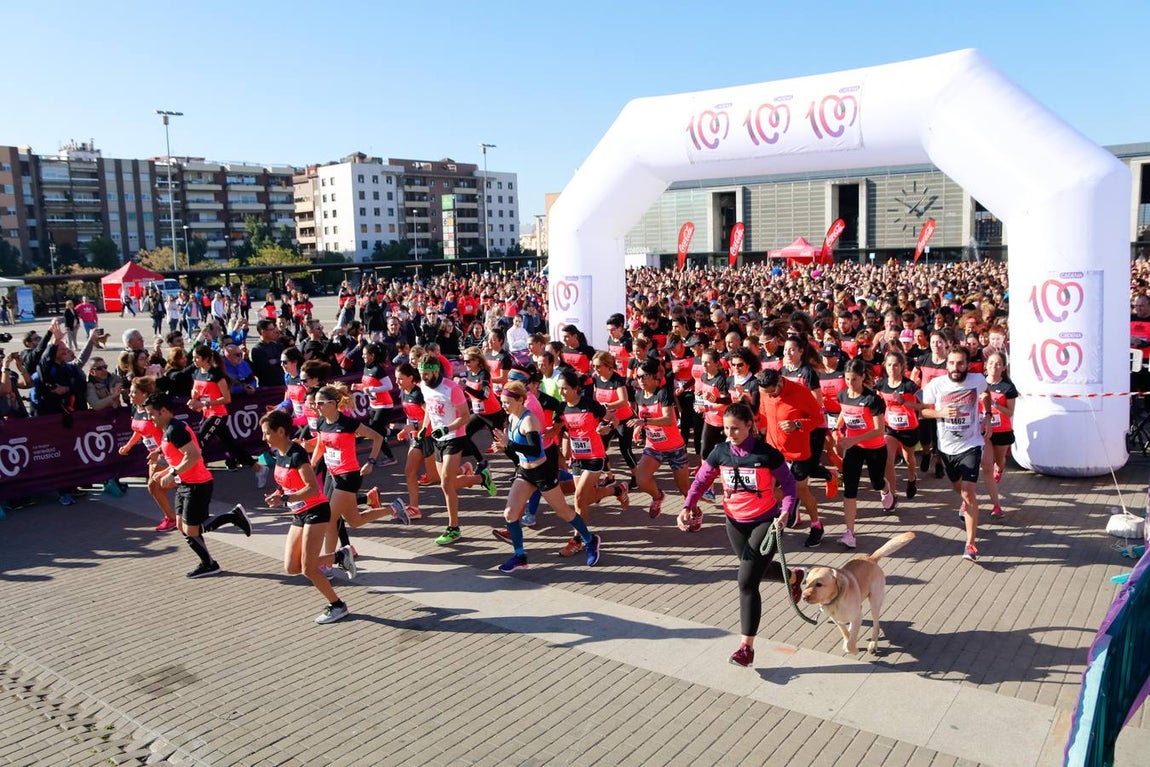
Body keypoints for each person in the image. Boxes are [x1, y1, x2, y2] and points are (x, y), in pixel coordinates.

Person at [678, 402, 803, 668]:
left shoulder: (766, 454)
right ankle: (793, 576)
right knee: (755, 569)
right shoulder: (720, 452)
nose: (730, 434)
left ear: (749, 425)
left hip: (765, 522)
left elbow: (790, 484)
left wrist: (786, 511)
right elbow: (701, 480)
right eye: (725, 429)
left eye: (735, 428)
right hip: (734, 522)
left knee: (746, 582)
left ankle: (746, 648)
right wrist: (688, 504)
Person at [490, 381, 602, 572]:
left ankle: (590, 540)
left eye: (507, 402)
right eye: (502, 402)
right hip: (525, 473)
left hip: (543, 473)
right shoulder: (511, 419)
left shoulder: (529, 421)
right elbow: (517, 454)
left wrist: (509, 445)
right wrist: (504, 448)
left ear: (519, 400)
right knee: (510, 514)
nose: (504, 406)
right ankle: (520, 556)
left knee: (564, 512)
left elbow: (534, 449)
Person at [261, 409, 354, 624]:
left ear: (281, 431)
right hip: (299, 513)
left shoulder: (297, 455)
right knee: (291, 567)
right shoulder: (279, 454)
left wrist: (285, 500)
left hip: (316, 511)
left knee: (308, 568)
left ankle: (338, 605)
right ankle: (340, 556)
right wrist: (279, 493)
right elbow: (287, 483)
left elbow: (312, 489)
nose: (264, 438)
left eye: (267, 433)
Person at [145, 391, 252, 578]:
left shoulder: (175, 429)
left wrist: (171, 472)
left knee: (191, 529)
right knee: (181, 525)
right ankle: (209, 564)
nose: (149, 418)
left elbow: (193, 456)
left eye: (151, 414)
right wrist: (163, 467)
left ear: (163, 411)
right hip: (185, 484)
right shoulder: (168, 429)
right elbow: (177, 457)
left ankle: (233, 517)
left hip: (198, 484)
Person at [920, 345, 993, 562]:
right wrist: (940, 412)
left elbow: (986, 392)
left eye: (960, 363)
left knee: (969, 492)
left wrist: (987, 415)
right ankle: (963, 502)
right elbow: (922, 410)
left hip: (971, 444)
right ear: (946, 364)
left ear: (967, 365)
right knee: (958, 487)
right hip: (946, 447)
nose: (955, 367)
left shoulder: (977, 380)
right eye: (951, 363)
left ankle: (970, 544)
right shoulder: (937, 384)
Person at [757, 368, 827, 547]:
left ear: (780, 381)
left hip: (797, 453)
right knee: (767, 491)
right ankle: (774, 523)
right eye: (766, 393)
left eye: (772, 392)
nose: (770, 396)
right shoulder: (764, 392)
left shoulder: (800, 392)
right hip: (774, 451)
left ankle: (816, 525)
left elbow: (818, 418)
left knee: (801, 491)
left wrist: (797, 424)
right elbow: (763, 415)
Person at [835, 357, 895, 549]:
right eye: (847, 379)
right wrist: (837, 430)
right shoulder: (843, 395)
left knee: (876, 482)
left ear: (862, 377)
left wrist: (853, 439)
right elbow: (844, 412)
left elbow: (879, 430)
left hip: (875, 448)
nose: (850, 383)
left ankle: (886, 491)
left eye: (854, 379)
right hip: (853, 449)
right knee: (849, 488)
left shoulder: (873, 400)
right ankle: (850, 533)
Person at [188, 345, 268, 487]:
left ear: (206, 359)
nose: (194, 360)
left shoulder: (217, 375)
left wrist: (206, 404)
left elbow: (226, 398)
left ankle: (194, 474)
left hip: (217, 414)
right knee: (230, 444)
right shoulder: (196, 373)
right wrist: (194, 399)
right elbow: (196, 392)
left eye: (197, 357)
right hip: (206, 414)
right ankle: (258, 468)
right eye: (193, 357)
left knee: (199, 440)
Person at [417, 355, 475, 545]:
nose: (423, 376)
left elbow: (466, 416)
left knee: (445, 484)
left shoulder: (452, 388)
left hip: (454, 437)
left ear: (435, 371)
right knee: (445, 482)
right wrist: (425, 427)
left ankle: (453, 527)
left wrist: (447, 428)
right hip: (437, 439)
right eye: (421, 372)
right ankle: (479, 477)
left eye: (426, 372)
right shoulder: (424, 386)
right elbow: (429, 410)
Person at [628, 358, 692, 518]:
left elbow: (669, 419)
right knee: (641, 480)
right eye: (637, 377)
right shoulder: (639, 395)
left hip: (674, 447)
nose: (640, 380)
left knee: (684, 488)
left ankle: (695, 512)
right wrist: (639, 428)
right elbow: (642, 417)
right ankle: (657, 496)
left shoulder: (663, 393)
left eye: (643, 376)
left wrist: (644, 422)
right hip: (654, 447)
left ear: (654, 376)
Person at [119, 376, 177, 531]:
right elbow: (139, 431)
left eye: (133, 393)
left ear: (144, 394)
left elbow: (167, 430)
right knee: (156, 487)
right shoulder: (135, 409)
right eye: (130, 393)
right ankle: (174, 511)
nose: (129, 396)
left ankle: (172, 518)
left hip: (164, 452)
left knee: (154, 487)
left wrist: (161, 450)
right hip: (153, 454)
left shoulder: (152, 410)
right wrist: (128, 446)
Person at [877, 350, 923, 500]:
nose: (892, 368)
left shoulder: (910, 386)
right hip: (890, 427)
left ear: (902, 366)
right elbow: (877, 403)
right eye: (889, 365)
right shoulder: (882, 384)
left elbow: (924, 406)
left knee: (909, 457)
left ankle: (912, 478)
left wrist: (905, 402)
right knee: (888, 460)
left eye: (895, 365)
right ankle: (892, 494)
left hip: (909, 428)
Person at [980, 350, 1017, 519]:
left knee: (999, 460)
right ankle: (996, 504)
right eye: (991, 363)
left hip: (1002, 431)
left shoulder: (1007, 387)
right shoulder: (980, 383)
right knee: (986, 464)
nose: (994, 366)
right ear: (986, 366)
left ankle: (999, 469)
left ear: (1003, 368)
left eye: (998, 364)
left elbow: (1010, 413)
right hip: (984, 431)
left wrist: (995, 405)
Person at [351, 342, 398, 466]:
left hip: (384, 405)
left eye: (365, 354)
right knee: (377, 431)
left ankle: (390, 457)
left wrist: (371, 389)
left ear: (372, 355)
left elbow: (389, 386)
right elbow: (367, 385)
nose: (363, 357)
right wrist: (358, 386)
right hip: (374, 404)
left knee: (376, 432)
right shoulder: (366, 367)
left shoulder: (378, 369)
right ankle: (394, 431)